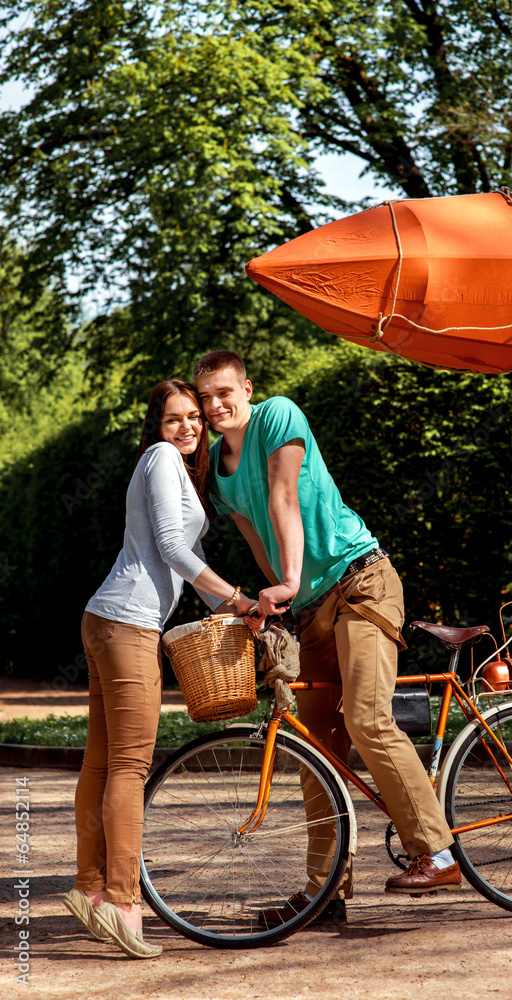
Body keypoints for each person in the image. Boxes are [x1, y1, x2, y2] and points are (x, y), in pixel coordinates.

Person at [192, 350, 460, 926]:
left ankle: (437, 852)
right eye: (206, 397)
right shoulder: (216, 467)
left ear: (247, 386)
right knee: (315, 749)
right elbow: (255, 532)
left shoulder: (278, 416)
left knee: (367, 716)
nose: (216, 406)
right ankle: (325, 892)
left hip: (361, 579)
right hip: (310, 607)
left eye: (224, 392)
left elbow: (284, 497)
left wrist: (287, 581)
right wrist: (277, 597)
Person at [64, 379, 256, 959]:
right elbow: (174, 548)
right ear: (158, 427)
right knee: (129, 764)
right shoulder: (163, 459)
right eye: (175, 419)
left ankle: (89, 888)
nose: (189, 427)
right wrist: (236, 601)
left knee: (101, 763)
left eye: (194, 417)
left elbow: (168, 552)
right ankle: (124, 903)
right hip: (128, 624)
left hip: (106, 617)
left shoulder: (168, 466)